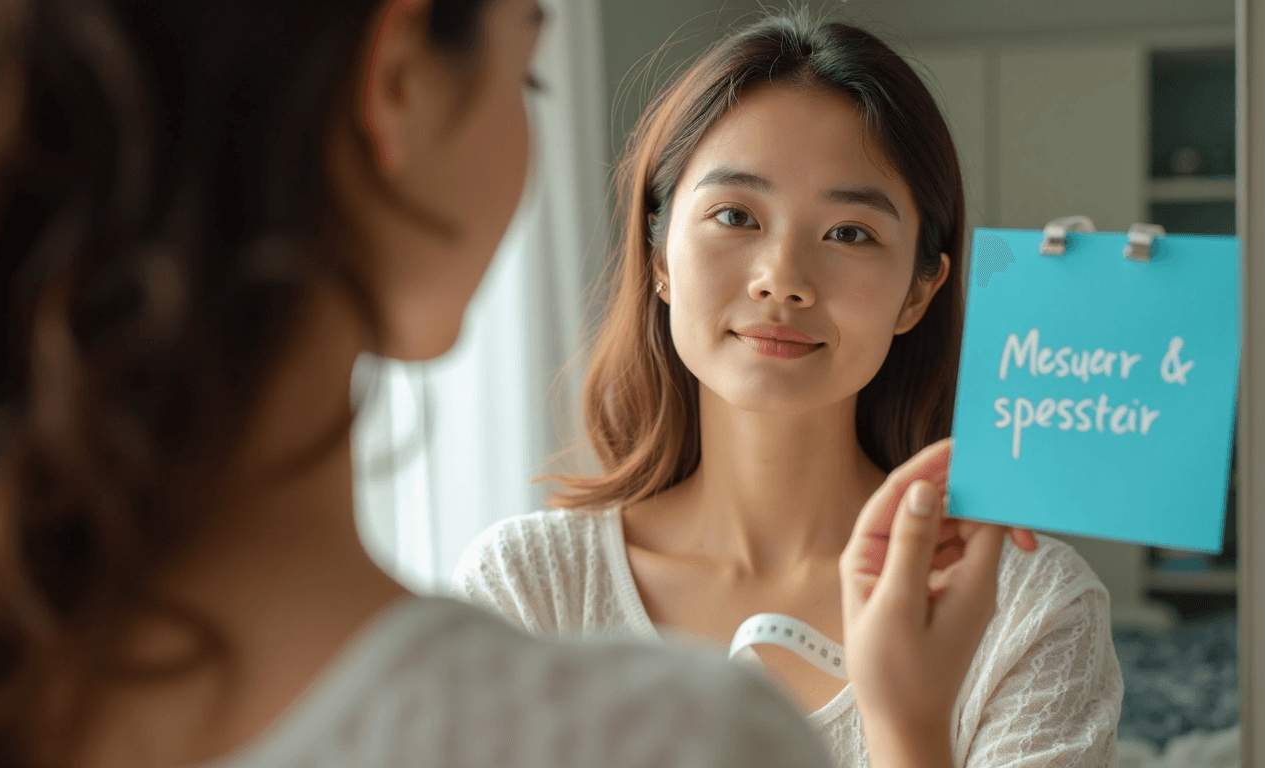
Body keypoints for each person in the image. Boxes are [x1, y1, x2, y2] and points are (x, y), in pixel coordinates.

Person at [0, 0, 849, 766]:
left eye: (851, 232)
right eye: (529, 74)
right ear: (399, 80)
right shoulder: (673, 740)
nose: (784, 277)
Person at [454, 11, 1125, 768]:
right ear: (661, 256)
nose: (784, 278)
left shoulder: (1033, 610)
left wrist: (909, 724)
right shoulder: (524, 592)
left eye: (850, 233)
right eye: (735, 215)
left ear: (918, 292)